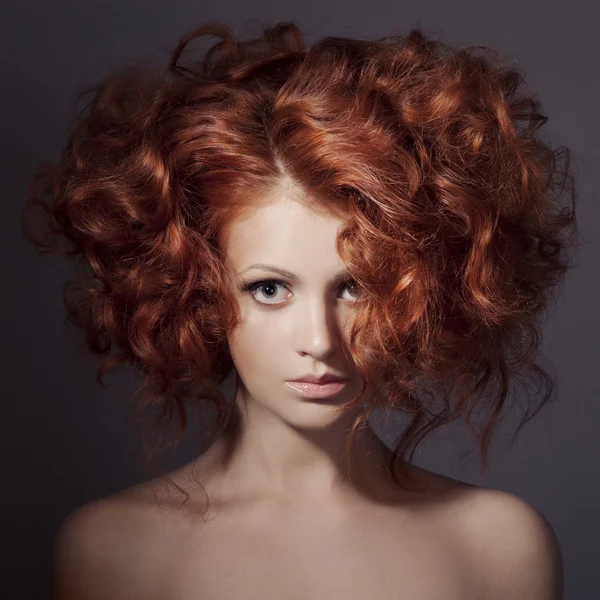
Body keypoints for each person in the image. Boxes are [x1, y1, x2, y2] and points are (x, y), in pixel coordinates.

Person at [21, 20, 579, 600]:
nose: (319, 340)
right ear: (193, 289)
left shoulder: (498, 546)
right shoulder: (108, 550)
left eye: (355, 287)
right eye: (269, 289)